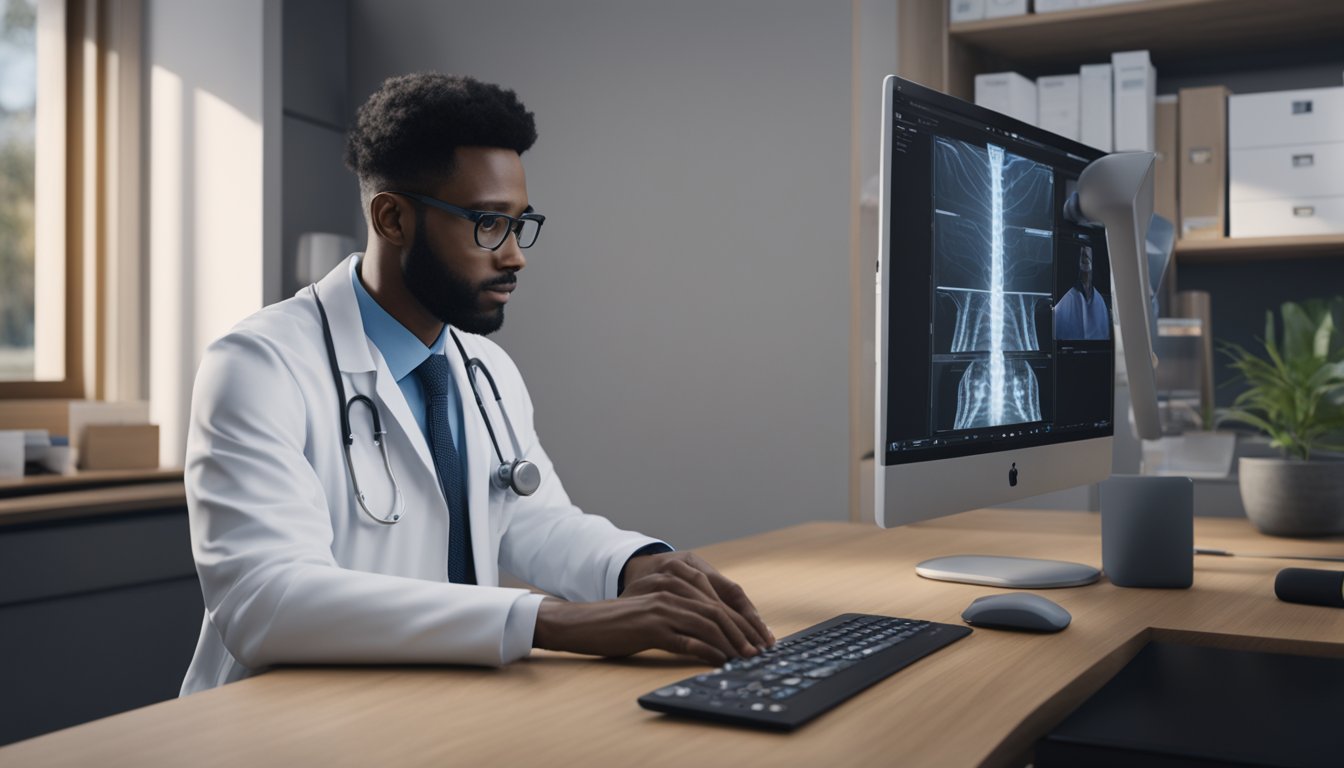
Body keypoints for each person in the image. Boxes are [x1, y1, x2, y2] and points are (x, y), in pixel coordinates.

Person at [180, 73, 772, 696]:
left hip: (433, 705)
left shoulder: (483, 367)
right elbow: (267, 603)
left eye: (520, 223)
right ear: (392, 218)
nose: (515, 254)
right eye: (489, 223)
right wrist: (554, 622)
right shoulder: (257, 366)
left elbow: (529, 522)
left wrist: (635, 568)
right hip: (282, 723)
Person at [1053, 244, 1110, 341]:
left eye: (1087, 253)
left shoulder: (1099, 300)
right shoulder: (1066, 300)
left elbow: (1105, 335)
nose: (1085, 255)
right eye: (1082, 254)